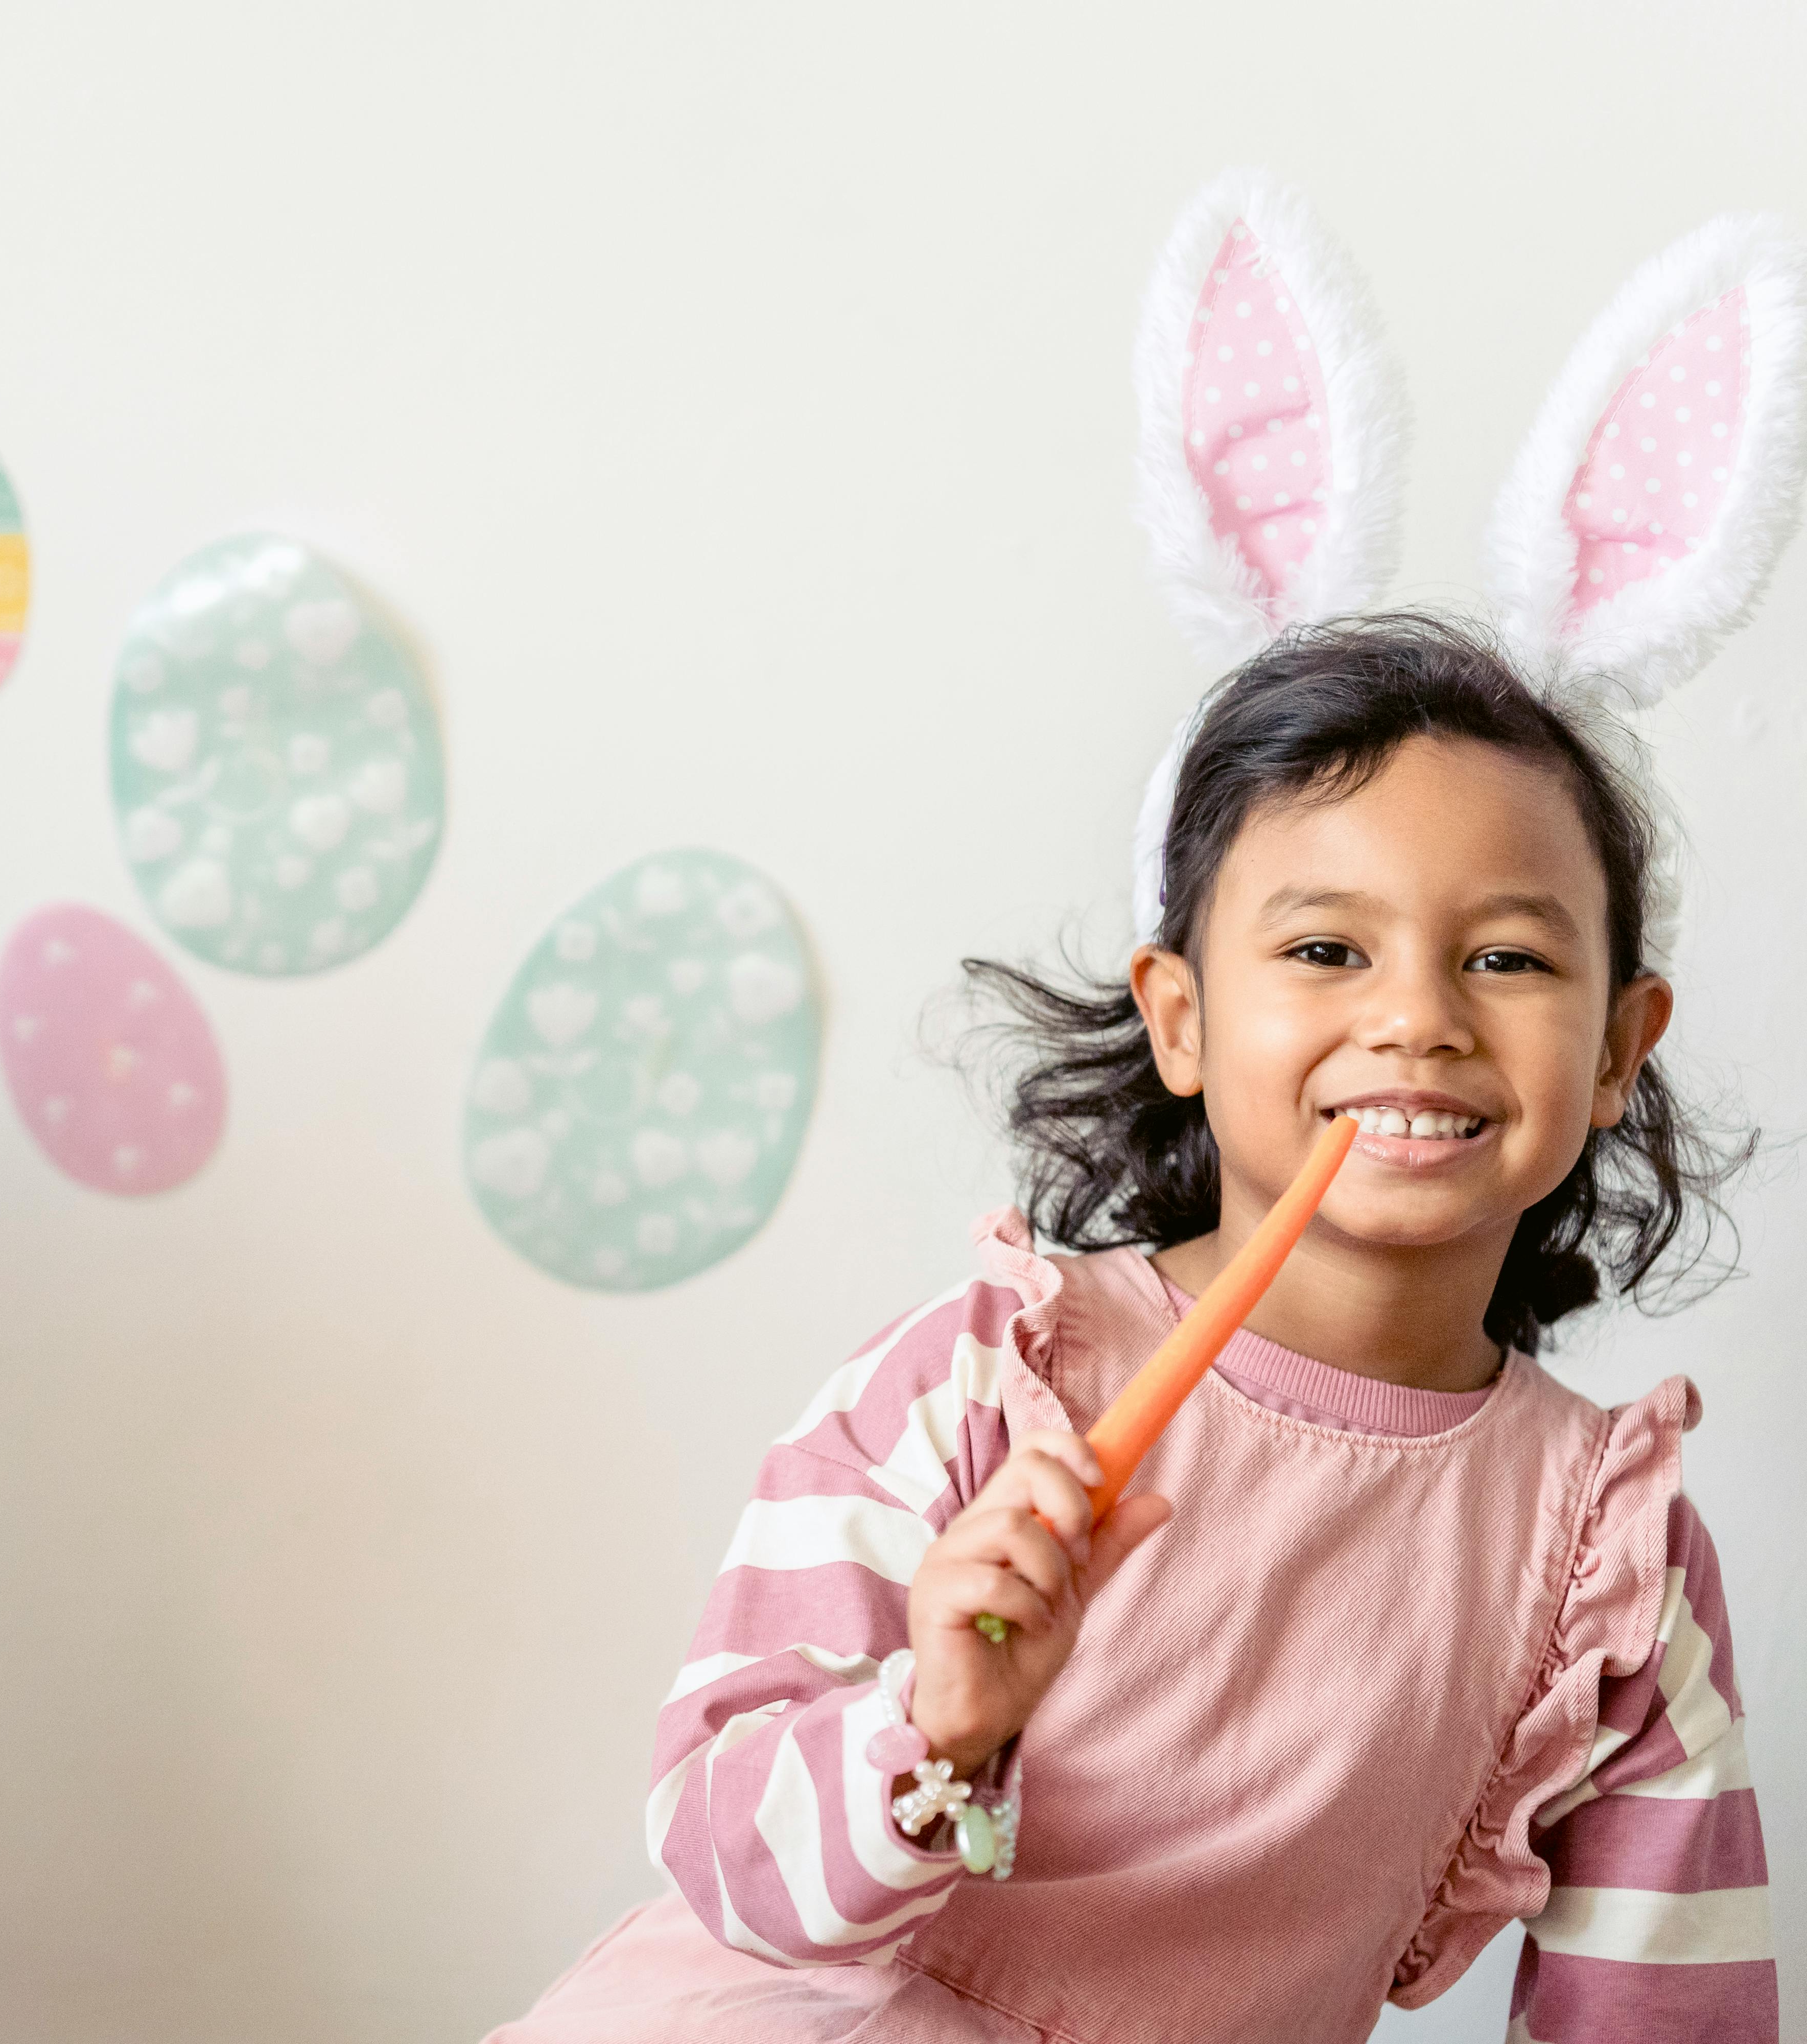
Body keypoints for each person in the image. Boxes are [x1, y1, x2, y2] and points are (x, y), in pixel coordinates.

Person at [492, 170, 1800, 2044]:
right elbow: (720, 1851)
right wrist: (932, 1718)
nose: (1418, 1021)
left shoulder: (1607, 1551)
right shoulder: (982, 1379)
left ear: (1617, 1048)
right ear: (1179, 1018)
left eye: (1507, 961)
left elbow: (1665, 2017)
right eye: (1327, 952)